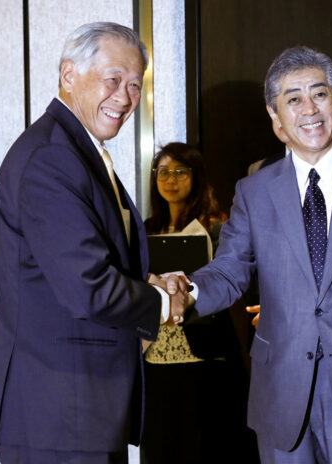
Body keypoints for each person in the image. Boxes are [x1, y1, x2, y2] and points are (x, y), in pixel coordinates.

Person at [166, 46, 332, 464]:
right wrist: (188, 291)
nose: (309, 109)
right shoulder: (254, 190)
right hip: (282, 393)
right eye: (293, 99)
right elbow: (230, 269)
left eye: (319, 94)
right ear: (276, 119)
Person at [0, 22, 185, 463]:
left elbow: (79, 263)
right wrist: (163, 303)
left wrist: (144, 279)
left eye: (135, 85)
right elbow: (88, 285)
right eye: (113, 80)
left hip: (75, 410)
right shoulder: (51, 157)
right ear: (69, 74)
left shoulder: (73, 149)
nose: (126, 98)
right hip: (57, 411)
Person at [141, 142, 255, 464]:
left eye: (180, 171)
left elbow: (231, 283)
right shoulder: (147, 229)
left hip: (205, 351)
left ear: (197, 176)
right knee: (162, 445)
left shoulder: (218, 227)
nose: (170, 180)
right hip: (156, 353)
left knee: (205, 447)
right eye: (163, 172)